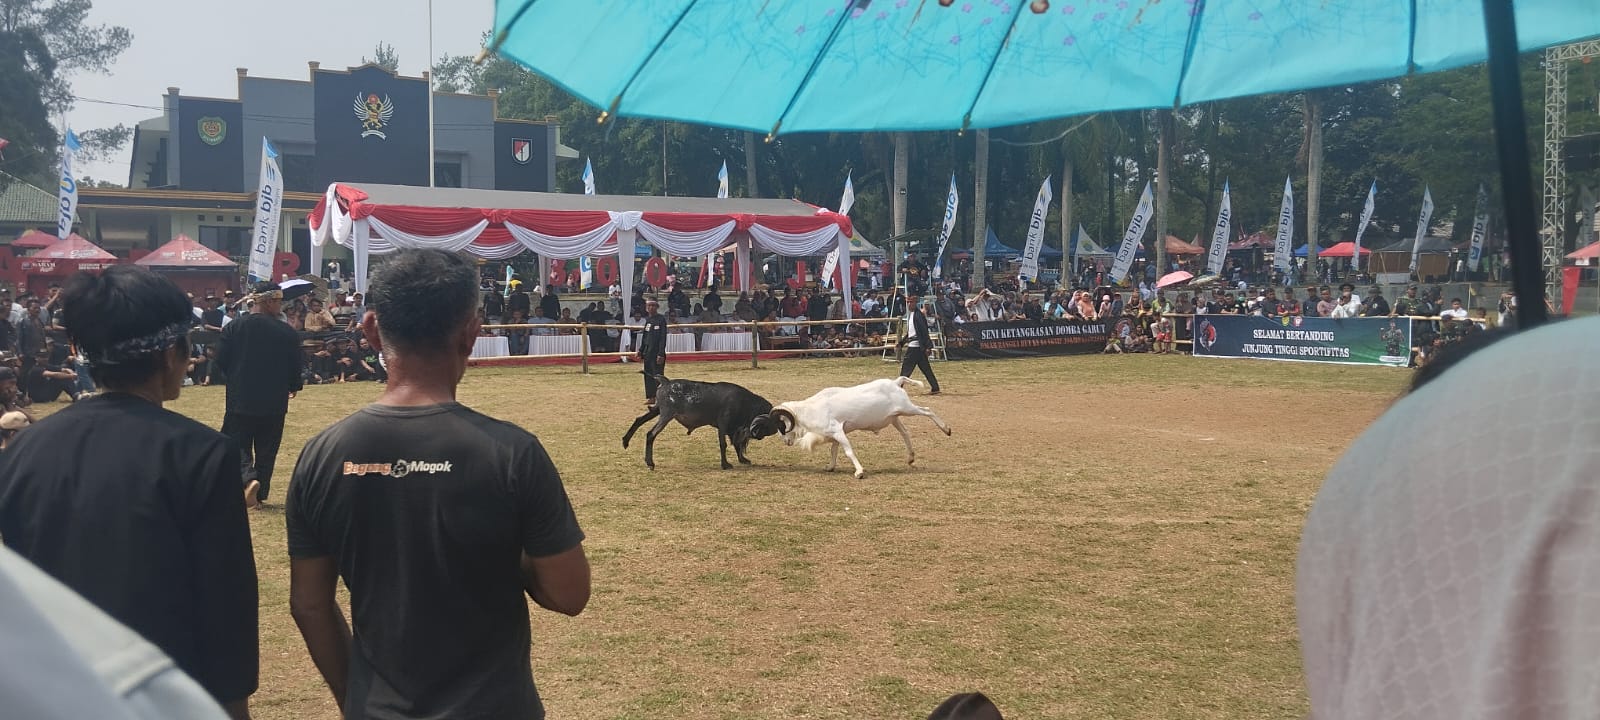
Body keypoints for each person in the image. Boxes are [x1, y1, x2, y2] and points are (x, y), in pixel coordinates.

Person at [286, 249, 588, 720]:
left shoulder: (321, 455)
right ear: (471, 332)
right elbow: (570, 594)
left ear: (370, 330)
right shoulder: (512, 453)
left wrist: (354, 698)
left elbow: (308, 604)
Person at [0, 265, 258, 718]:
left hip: (53, 690)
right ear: (168, 353)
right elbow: (224, 605)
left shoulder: (25, 449)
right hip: (160, 691)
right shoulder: (201, 454)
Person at [216, 281, 303, 509]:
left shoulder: (234, 328)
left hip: (240, 397)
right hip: (274, 399)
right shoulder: (286, 332)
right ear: (267, 301)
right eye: (278, 301)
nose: (280, 305)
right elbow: (296, 364)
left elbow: (221, 361)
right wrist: (293, 385)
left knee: (235, 443)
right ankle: (259, 494)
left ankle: (247, 480)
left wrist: (235, 377)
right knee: (267, 449)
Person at [897, 296, 941, 394]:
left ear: (915, 303)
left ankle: (898, 388)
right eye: (907, 302)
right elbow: (910, 333)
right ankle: (935, 387)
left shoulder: (918, 315)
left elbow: (924, 331)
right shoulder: (912, 315)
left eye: (911, 302)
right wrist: (902, 342)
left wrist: (928, 346)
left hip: (915, 347)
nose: (909, 304)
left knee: (906, 368)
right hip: (915, 346)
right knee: (926, 369)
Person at [637, 298, 668, 404]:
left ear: (657, 307)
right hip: (647, 353)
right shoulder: (648, 321)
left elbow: (663, 338)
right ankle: (651, 397)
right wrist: (641, 350)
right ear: (646, 308)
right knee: (648, 375)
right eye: (649, 305)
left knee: (658, 375)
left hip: (657, 353)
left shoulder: (661, 320)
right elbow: (645, 337)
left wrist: (660, 353)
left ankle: (660, 398)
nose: (651, 308)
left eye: (653, 305)